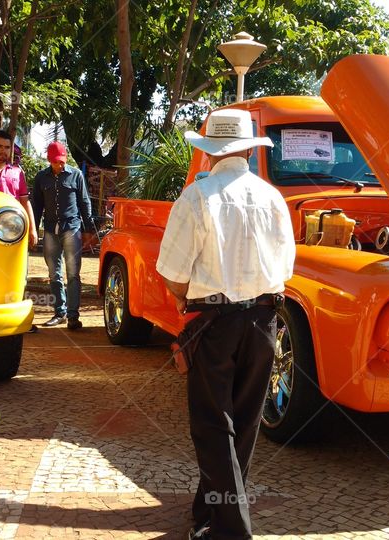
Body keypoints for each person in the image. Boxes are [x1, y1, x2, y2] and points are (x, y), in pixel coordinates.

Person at [157, 109, 295, 540]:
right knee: (245, 421)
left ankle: (231, 531)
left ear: (210, 153)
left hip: (214, 323)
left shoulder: (197, 197)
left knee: (213, 425)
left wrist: (182, 298)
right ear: (249, 151)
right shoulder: (273, 198)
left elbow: (173, 272)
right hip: (265, 320)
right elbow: (285, 267)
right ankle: (208, 512)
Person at [32, 141, 96, 330]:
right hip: (50, 230)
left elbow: (84, 202)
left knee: (73, 273)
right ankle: (59, 313)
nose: (59, 165)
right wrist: (33, 230)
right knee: (54, 273)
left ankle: (73, 316)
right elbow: (36, 206)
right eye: (55, 162)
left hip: (72, 229)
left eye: (62, 161)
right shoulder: (41, 178)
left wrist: (89, 229)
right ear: (49, 159)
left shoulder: (76, 175)